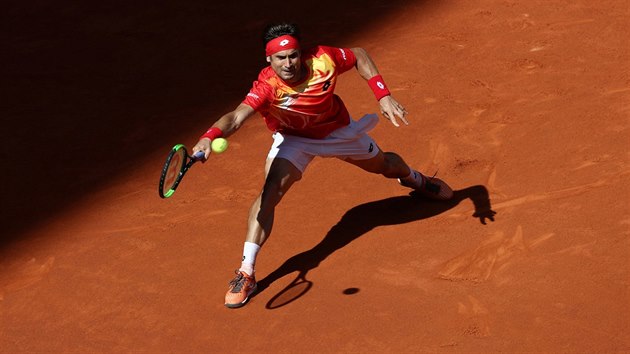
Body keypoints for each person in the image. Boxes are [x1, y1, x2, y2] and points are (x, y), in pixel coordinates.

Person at [192, 22, 454, 308]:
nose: (288, 63)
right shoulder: (267, 86)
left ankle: (415, 179)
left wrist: (383, 94)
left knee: (386, 166)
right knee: (268, 195)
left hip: (338, 132)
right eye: (280, 58)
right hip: (295, 140)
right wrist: (209, 137)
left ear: (300, 53)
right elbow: (236, 117)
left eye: (293, 55)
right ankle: (247, 272)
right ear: (269, 59)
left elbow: (360, 55)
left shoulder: (323, 59)